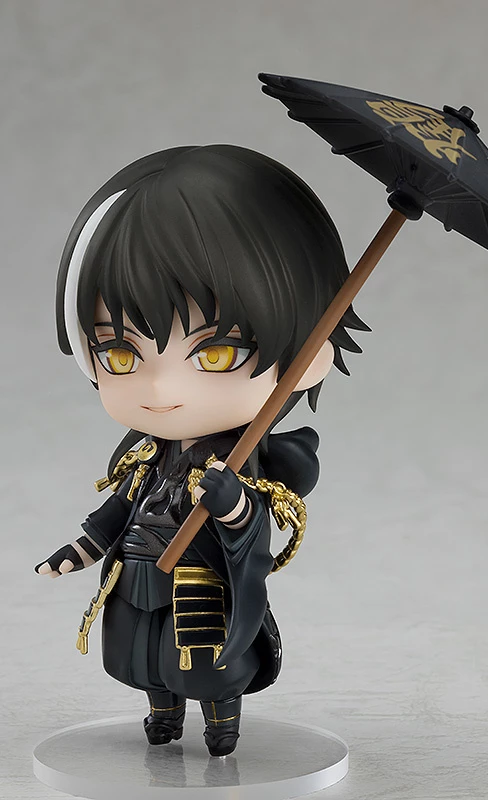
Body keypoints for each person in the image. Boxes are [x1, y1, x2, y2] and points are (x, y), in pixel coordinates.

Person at [35, 145, 368, 756]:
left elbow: (256, 526)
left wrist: (233, 505)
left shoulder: (241, 465)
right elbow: (120, 510)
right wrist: (82, 547)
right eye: (120, 354)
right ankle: (162, 714)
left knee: (203, 658)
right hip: (138, 573)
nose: (162, 390)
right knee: (143, 653)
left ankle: (221, 721)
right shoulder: (146, 460)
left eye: (215, 354)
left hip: (199, 581)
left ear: (309, 354)